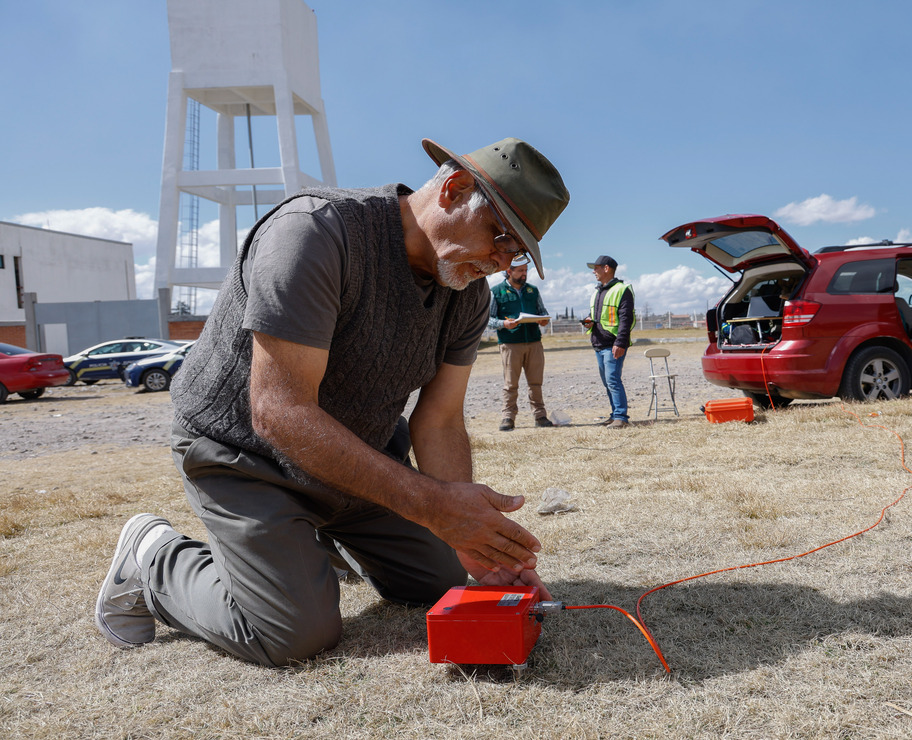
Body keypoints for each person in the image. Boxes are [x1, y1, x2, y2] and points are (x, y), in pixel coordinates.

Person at [94, 137, 570, 667]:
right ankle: (155, 557)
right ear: (455, 188)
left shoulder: (467, 294)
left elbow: (439, 420)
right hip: (246, 455)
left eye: (519, 252)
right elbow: (279, 413)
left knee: (437, 581)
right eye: (500, 235)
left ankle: (316, 546)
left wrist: (468, 533)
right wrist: (431, 506)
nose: (503, 262)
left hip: (356, 456)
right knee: (293, 636)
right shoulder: (317, 234)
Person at [489, 263, 553, 431]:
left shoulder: (533, 290)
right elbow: (488, 319)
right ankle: (508, 418)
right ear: (509, 271)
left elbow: (542, 311)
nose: (524, 274)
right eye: (520, 271)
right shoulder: (496, 291)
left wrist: (543, 319)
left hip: (534, 343)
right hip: (510, 345)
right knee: (510, 384)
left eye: (526, 270)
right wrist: (503, 323)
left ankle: (540, 416)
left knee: (535, 382)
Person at [581, 255, 634, 429]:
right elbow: (599, 317)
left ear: (606, 268)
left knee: (613, 380)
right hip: (598, 343)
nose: (593, 271)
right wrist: (589, 321)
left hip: (613, 344)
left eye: (596, 268)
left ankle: (621, 416)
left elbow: (626, 319)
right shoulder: (598, 291)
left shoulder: (622, 289)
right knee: (607, 382)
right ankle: (614, 415)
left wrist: (620, 343)